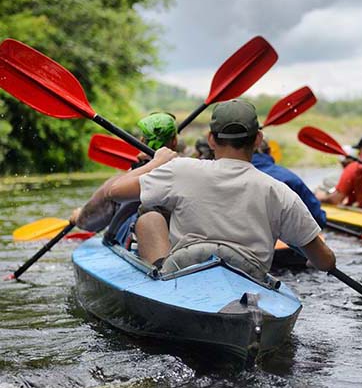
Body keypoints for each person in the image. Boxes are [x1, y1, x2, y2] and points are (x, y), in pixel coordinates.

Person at [105, 99, 336, 277]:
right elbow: (324, 262)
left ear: (211, 140)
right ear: (258, 140)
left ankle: (157, 275)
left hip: (184, 269)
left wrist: (155, 163)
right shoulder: (279, 191)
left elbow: (114, 191)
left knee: (149, 213)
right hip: (249, 276)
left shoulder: (180, 169)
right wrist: (323, 258)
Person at [69, 112, 178, 245]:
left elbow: (88, 223)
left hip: (138, 242)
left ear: (142, 141)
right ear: (175, 142)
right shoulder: (193, 170)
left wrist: (78, 218)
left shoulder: (120, 185)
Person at [252, 138, 326, 228]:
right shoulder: (289, 179)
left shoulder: (232, 176)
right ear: (269, 151)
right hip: (284, 237)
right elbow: (317, 218)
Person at [316, 135, 362, 213]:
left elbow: (335, 199)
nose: (358, 154)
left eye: (359, 151)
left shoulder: (354, 167)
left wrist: (319, 198)